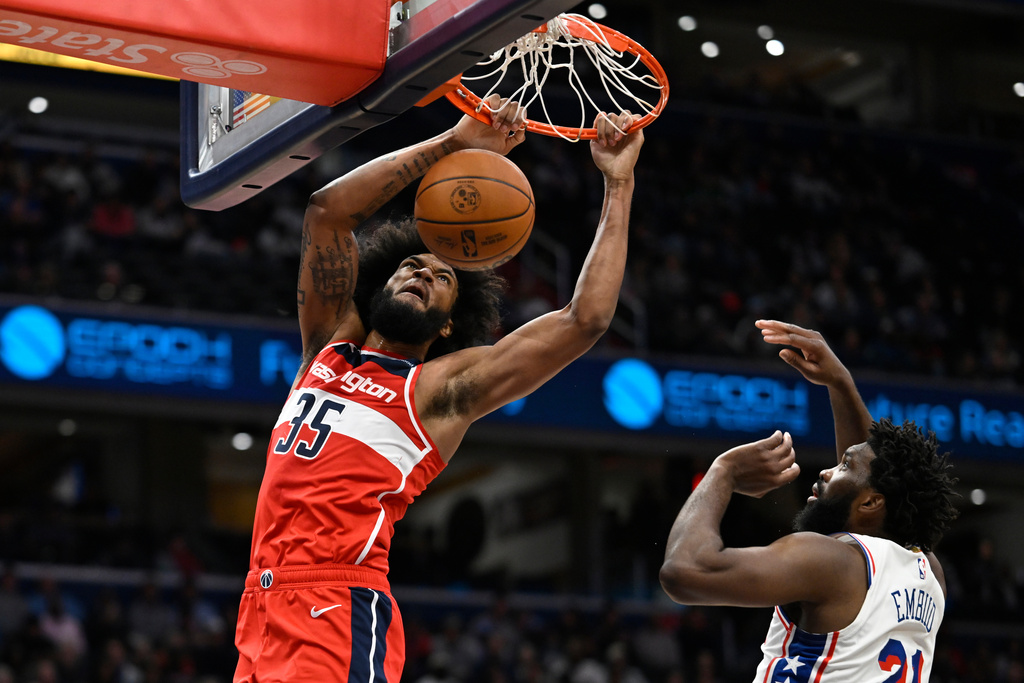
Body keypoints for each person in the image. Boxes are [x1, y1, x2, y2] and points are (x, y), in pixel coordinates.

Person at [233, 99, 644, 683]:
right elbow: (327, 212)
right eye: (412, 267)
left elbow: (585, 321)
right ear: (382, 282)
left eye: (442, 276)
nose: (423, 273)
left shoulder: (441, 391)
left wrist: (619, 183)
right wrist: (454, 142)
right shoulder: (326, 343)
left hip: (336, 604)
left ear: (451, 322)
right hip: (260, 605)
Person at [659, 319, 959, 682]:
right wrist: (840, 383)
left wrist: (723, 471)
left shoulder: (831, 560)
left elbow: (685, 573)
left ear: (870, 504)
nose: (827, 472)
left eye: (843, 466)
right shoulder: (928, 572)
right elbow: (881, 478)